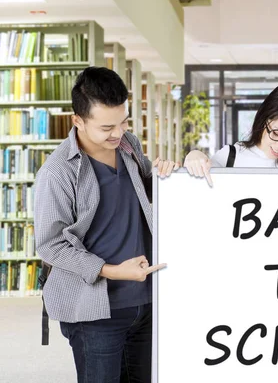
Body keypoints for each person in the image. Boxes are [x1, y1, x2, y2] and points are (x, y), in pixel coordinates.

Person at [34, 66, 179, 383]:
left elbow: (140, 193)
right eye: (106, 127)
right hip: (95, 312)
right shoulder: (57, 172)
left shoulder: (128, 145)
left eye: (124, 121)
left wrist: (166, 174)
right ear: (78, 121)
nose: (118, 132)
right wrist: (113, 271)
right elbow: (50, 245)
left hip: (144, 302)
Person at [184, 83, 278, 184]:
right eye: (277, 134)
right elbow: (200, 184)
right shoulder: (231, 156)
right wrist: (194, 157)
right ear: (263, 120)